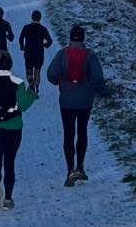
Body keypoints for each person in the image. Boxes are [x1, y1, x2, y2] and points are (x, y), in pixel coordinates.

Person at [45, 24, 108, 186]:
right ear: (84, 38)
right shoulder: (90, 55)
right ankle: (80, 167)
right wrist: (104, 91)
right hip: (85, 101)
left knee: (68, 134)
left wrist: (60, 82)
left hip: (66, 100)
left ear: (70, 37)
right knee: (82, 132)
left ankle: (69, 170)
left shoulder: (62, 53)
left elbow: (50, 74)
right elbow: (98, 77)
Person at [0, 48, 37, 211]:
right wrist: (31, 95)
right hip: (14, 128)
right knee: (9, 162)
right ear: (10, 65)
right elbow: (23, 105)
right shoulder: (18, 83)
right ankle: (8, 199)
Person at [18, 9, 53, 93]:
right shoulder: (43, 29)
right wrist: (45, 45)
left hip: (28, 53)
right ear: (40, 18)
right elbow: (50, 41)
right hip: (39, 54)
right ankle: (36, 87)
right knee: (37, 70)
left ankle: (31, 84)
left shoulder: (26, 27)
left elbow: (20, 38)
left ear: (32, 17)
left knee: (29, 70)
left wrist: (22, 47)